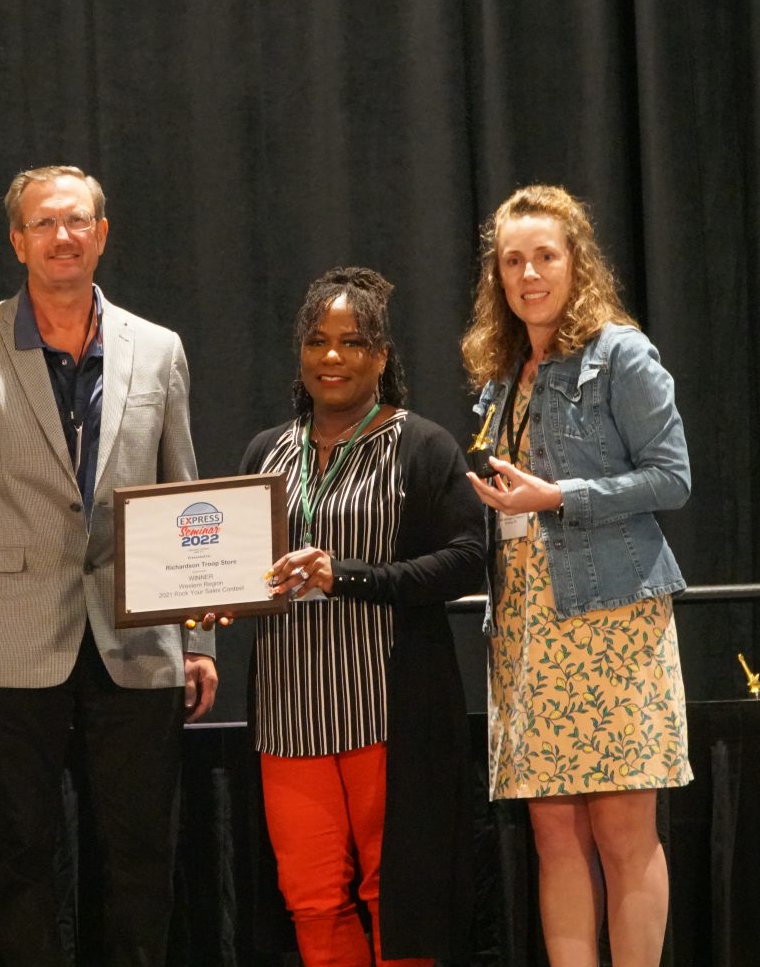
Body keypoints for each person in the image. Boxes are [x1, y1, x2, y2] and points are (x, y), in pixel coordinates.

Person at [0, 164, 218, 967]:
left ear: (103, 234)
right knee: (19, 854)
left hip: (138, 636)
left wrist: (200, 636)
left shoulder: (158, 349)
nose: (63, 236)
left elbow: (185, 496)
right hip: (9, 637)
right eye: (45, 223)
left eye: (78, 221)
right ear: (19, 240)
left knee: (141, 854)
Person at [460, 184, 692, 967]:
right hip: (528, 624)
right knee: (554, 835)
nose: (529, 274)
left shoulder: (621, 352)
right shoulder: (502, 373)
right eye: (513, 260)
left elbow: (673, 478)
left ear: (576, 262)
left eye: (545, 257)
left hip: (611, 619)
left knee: (624, 832)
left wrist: (558, 496)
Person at [241, 267, 486, 966]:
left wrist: (347, 575)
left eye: (353, 342)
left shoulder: (422, 447)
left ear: (382, 355)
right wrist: (218, 601)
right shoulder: (266, 452)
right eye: (317, 341)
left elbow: (470, 559)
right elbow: (239, 563)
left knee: (397, 897)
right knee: (312, 898)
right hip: (290, 718)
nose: (332, 357)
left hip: (388, 712)